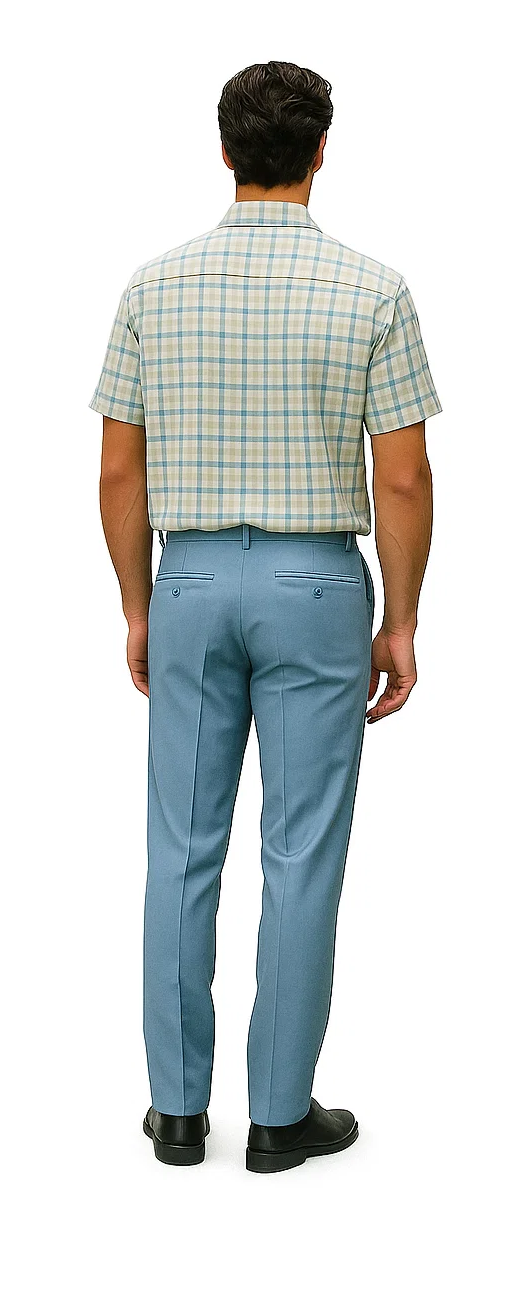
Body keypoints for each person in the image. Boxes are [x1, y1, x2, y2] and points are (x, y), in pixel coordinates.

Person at [89, 60, 442, 1173]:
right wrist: (400, 621)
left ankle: (176, 1113)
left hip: (190, 584)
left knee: (180, 850)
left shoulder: (153, 286)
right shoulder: (373, 290)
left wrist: (139, 606)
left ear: (224, 150)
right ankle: (281, 1117)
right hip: (315, 591)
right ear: (322, 151)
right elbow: (402, 476)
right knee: (301, 854)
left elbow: (118, 471)